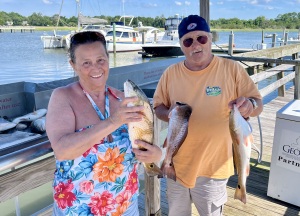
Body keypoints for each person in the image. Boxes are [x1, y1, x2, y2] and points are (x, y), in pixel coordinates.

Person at [153, 15, 263, 216]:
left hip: (214, 166)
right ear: (181, 45)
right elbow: (158, 106)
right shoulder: (170, 73)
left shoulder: (232, 69)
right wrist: (168, 113)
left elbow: (258, 104)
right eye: (188, 40)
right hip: (176, 165)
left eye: (201, 38)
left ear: (211, 38)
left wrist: (249, 106)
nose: (195, 45)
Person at [46, 31, 162, 216]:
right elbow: (62, 150)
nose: (96, 68)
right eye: (86, 63)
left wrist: (155, 154)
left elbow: (144, 143)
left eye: (101, 60)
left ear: (108, 60)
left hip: (126, 207)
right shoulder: (63, 97)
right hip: (77, 210)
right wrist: (114, 121)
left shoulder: (125, 99)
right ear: (73, 65)